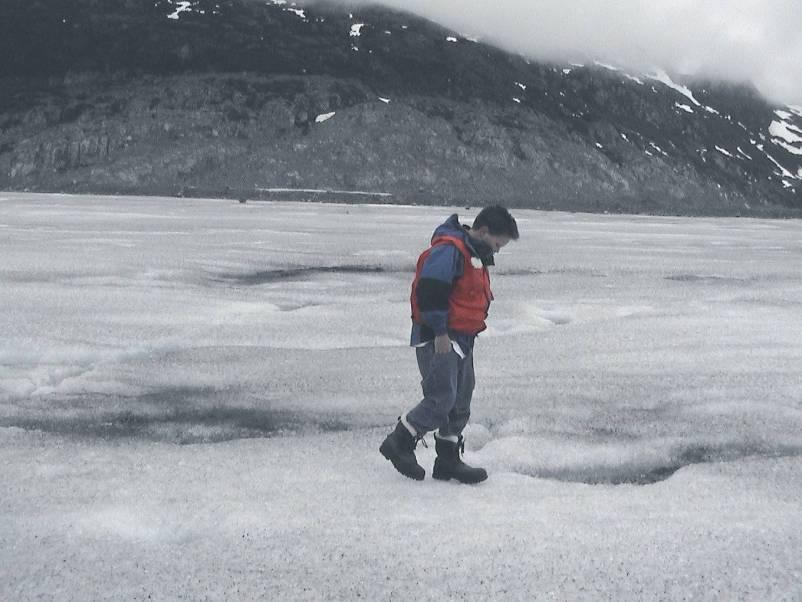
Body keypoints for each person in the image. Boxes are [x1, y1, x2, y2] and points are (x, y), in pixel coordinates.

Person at [380, 205, 519, 483]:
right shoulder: (449, 250)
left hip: (463, 340)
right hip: (439, 339)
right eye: (497, 243)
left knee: (460, 401)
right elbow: (430, 292)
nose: (498, 250)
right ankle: (399, 442)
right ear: (483, 231)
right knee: (441, 398)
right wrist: (441, 332)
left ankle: (448, 460)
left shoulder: (475, 254)